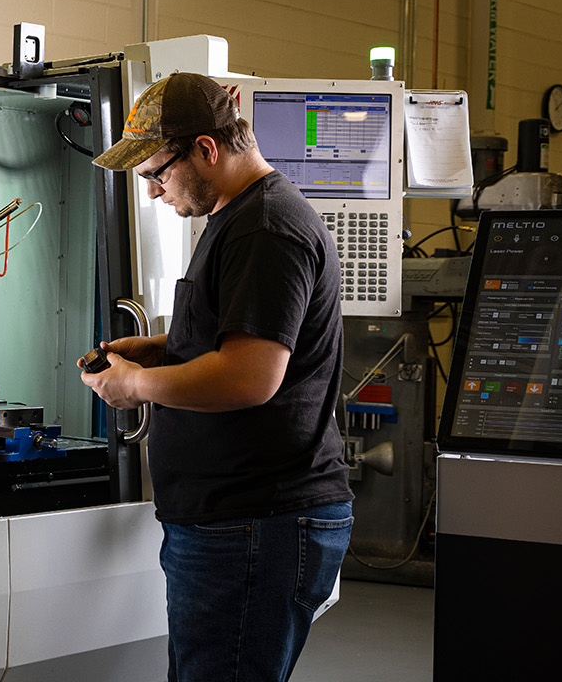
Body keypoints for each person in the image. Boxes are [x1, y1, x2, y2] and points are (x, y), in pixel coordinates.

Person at [82, 73, 353, 682]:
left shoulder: (266, 227)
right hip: (236, 523)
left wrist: (135, 386)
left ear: (206, 149)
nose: (152, 191)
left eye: (157, 173)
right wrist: (160, 350)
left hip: (256, 523)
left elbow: (249, 377)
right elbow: (237, 338)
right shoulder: (239, 220)